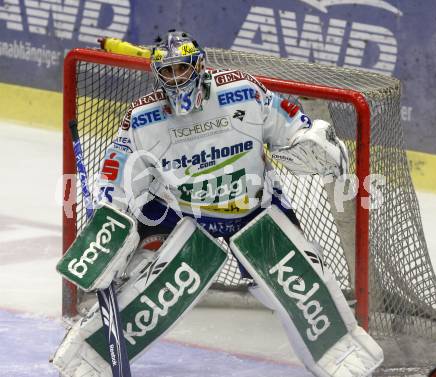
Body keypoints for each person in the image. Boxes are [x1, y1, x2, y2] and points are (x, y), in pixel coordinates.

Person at [53, 30, 382, 377]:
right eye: (168, 71)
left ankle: (342, 357)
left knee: (296, 288)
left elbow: (290, 127)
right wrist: (110, 226)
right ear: (156, 74)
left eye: (183, 69)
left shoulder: (243, 91)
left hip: (255, 209)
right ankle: (88, 356)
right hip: (189, 215)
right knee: (153, 291)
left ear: (199, 66)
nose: (176, 78)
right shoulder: (142, 118)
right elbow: (117, 177)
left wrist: (311, 142)